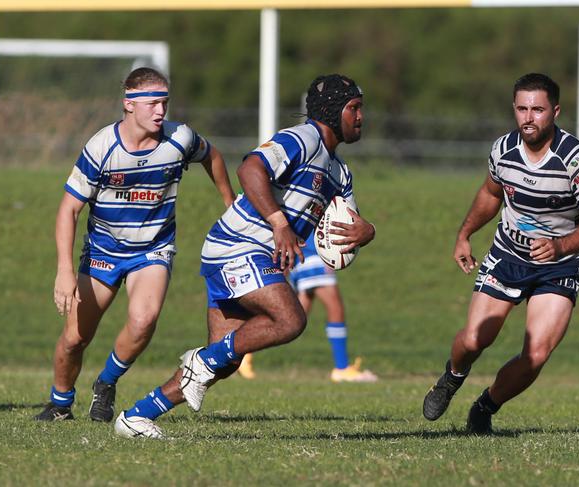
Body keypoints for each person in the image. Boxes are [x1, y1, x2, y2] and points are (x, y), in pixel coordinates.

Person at [114, 73, 376, 439]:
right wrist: (279, 222)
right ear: (333, 111)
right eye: (354, 108)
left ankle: (136, 416)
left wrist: (366, 232)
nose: (361, 116)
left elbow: (347, 229)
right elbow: (250, 168)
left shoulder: (340, 172)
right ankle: (199, 362)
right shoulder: (301, 138)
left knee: (223, 361)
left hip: (251, 257)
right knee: (290, 320)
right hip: (237, 247)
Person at [35, 67, 235, 422]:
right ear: (129, 103)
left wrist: (230, 204)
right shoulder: (102, 147)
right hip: (103, 252)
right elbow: (69, 209)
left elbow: (213, 157)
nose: (161, 111)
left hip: (152, 250)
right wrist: (64, 271)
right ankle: (61, 403)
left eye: (165, 103)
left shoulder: (179, 139)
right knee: (74, 339)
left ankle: (106, 383)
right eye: (153, 103)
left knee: (144, 321)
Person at [422, 73, 579, 434]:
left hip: (560, 265)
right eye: (522, 109)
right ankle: (452, 376)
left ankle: (485, 406)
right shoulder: (503, 150)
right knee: (476, 340)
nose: (529, 117)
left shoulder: (578, 161)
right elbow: (491, 194)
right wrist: (464, 234)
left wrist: (560, 246)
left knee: (537, 354)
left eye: (538, 109)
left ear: (554, 111)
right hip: (508, 256)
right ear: (514, 109)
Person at [237, 229, 378, 382]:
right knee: (335, 307)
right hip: (312, 255)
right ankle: (342, 367)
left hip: (305, 254)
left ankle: (243, 350)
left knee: (291, 322)